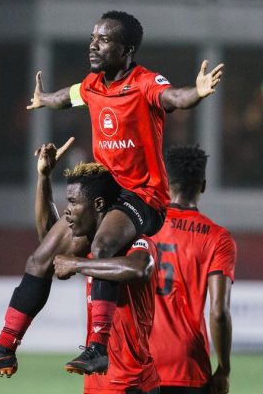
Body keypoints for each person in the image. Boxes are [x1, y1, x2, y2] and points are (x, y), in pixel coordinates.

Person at [11, 9, 223, 374]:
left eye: (104, 39)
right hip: (105, 198)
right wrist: (44, 99)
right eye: (93, 37)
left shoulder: (144, 82)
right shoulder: (93, 84)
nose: (93, 45)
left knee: (103, 248)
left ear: (126, 49)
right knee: (40, 257)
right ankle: (4, 346)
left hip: (143, 197)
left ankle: (97, 348)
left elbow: (173, 97)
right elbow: (69, 96)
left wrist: (197, 94)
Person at [40, 142, 161, 393]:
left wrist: (77, 264)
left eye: (74, 203)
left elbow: (140, 267)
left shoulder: (133, 242)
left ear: (97, 205)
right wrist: (43, 178)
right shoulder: (90, 246)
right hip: (97, 380)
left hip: (131, 381)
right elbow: (48, 239)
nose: (68, 211)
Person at [147, 145, 236, 394]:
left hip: (139, 362)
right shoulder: (218, 238)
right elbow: (219, 312)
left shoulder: (140, 226)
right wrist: (224, 368)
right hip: (187, 365)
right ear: (203, 185)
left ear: (165, 182)